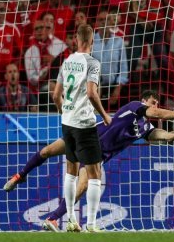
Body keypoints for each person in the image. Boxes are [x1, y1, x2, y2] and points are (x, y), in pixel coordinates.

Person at [3, 90, 174, 232]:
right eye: (153, 101)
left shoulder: (146, 129)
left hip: (96, 154)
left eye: (156, 103)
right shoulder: (136, 107)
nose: (155, 106)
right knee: (47, 151)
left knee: (82, 186)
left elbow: (166, 137)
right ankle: (20, 175)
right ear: (145, 101)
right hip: (87, 136)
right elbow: (156, 112)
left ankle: (53, 218)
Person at [52, 23, 111, 232]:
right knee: (95, 173)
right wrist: (105, 116)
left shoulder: (67, 62)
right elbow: (92, 93)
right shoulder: (92, 63)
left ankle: (70, 220)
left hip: (67, 123)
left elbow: (55, 95)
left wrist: (64, 112)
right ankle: (92, 225)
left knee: (71, 171)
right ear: (92, 41)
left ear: (76, 39)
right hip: (84, 124)